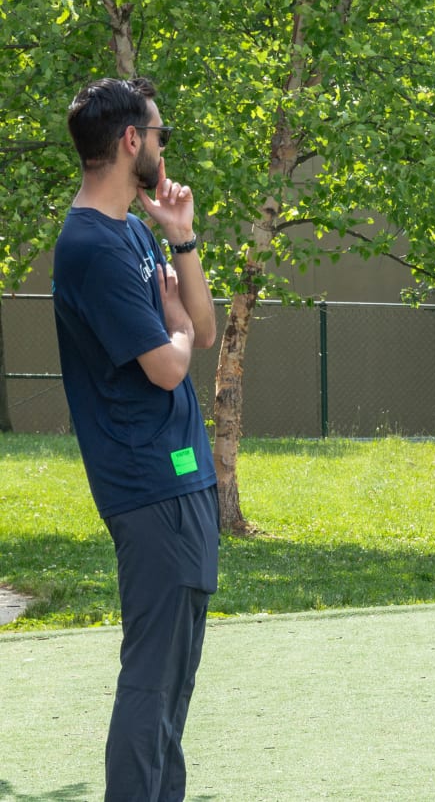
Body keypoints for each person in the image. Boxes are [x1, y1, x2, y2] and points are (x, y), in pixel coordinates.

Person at [54, 77, 219, 801]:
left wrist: (182, 237)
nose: (162, 148)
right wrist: (175, 325)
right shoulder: (91, 246)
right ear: (131, 141)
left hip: (181, 478)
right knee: (152, 679)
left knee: (174, 680)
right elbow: (169, 363)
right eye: (159, 135)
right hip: (148, 486)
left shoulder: (132, 231)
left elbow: (202, 329)